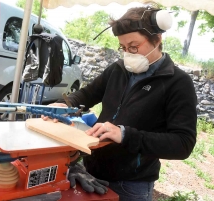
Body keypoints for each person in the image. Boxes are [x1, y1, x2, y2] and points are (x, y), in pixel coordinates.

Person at [42, 5, 197, 201]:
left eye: (134, 46)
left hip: (131, 184)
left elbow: (183, 144)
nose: (128, 54)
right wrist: (65, 105)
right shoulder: (118, 69)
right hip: (92, 171)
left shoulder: (177, 82)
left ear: (157, 39)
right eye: (123, 47)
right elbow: (86, 94)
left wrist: (125, 134)